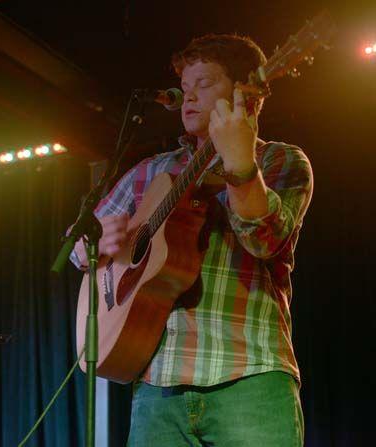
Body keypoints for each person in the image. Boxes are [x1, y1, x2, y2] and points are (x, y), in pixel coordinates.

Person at [71, 34, 312, 446]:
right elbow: (80, 242)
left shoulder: (279, 160)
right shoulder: (153, 169)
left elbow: (264, 241)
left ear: (247, 94)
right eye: (185, 89)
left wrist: (240, 167)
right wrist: (95, 243)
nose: (188, 97)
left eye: (204, 84)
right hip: (157, 385)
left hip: (249, 376)